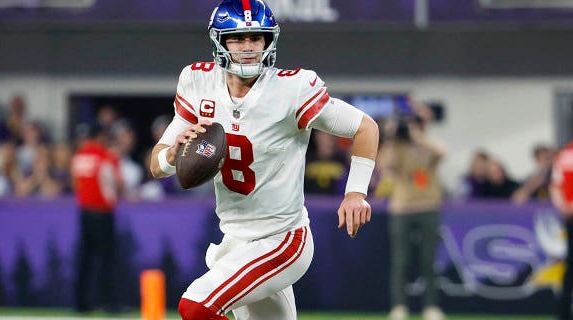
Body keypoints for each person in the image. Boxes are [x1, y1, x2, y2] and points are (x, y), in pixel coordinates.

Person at [149, 1, 379, 319]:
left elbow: (365, 127)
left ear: (268, 41)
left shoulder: (293, 88)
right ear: (220, 41)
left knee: (196, 306)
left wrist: (355, 192)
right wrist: (173, 155)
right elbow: (157, 165)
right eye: (238, 38)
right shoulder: (198, 82)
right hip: (236, 239)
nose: (248, 47)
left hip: (282, 238)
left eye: (256, 38)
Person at [381, 110, 446, 320]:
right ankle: (399, 306)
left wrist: (417, 136)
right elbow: (383, 164)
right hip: (401, 207)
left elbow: (442, 152)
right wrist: (391, 138)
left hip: (428, 206)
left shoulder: (427, 145)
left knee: (429, 260)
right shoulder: (396, 147)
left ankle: (431, 307)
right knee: (401, 260)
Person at [70, 123, 123, 313]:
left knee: (85, 259)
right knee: (107, 260)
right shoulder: (106, 157)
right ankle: (109, 303)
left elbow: (76, 184)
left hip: (85, 213)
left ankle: (81, 304)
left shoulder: (78, 157)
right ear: (101, 136)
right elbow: (117, 185)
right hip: (102, 213)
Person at [551, 140, 573, 320]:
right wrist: (565, 207)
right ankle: (564, 314)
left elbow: (555, 187)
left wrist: (564, 206)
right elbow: (555, 187)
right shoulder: (566, 154)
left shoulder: (565, 153)